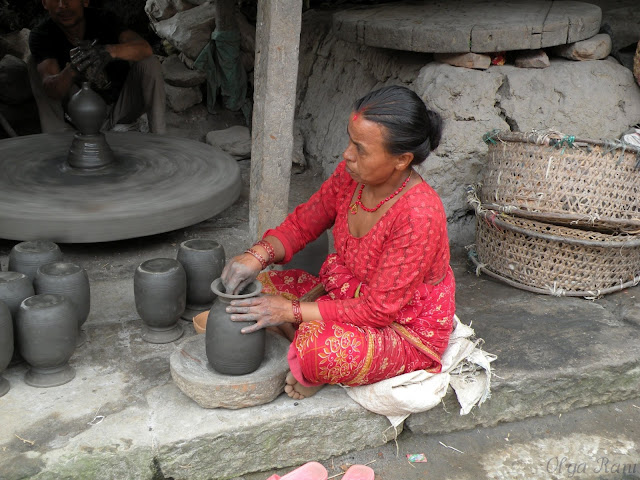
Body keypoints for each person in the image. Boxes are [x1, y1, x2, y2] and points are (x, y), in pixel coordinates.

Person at [221, 85, 455, 400]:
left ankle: (307, 354)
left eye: (360, 148)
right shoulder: (351, 176)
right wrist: (255, 256)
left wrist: (291, 311)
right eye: (349, 140)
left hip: (401, 326)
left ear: (402, 160)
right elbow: (304, 223)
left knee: (319, 350)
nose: (347, 154)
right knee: (261, 287)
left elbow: (378, 311)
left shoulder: (418, 215)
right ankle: (297, 337)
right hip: (348, 294)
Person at [28, 0, 166, 134]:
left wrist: (109, 51)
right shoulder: (42, 35)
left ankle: (160, 137)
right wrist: (73, 70)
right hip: (78, 115)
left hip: (118, 109)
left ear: (85, 1)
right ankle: (56, 135)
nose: (62, 5)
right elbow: (52, 89)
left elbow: (145, 48)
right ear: (44, 3)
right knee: (35, 64)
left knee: (149, 62)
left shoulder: (104, 19)